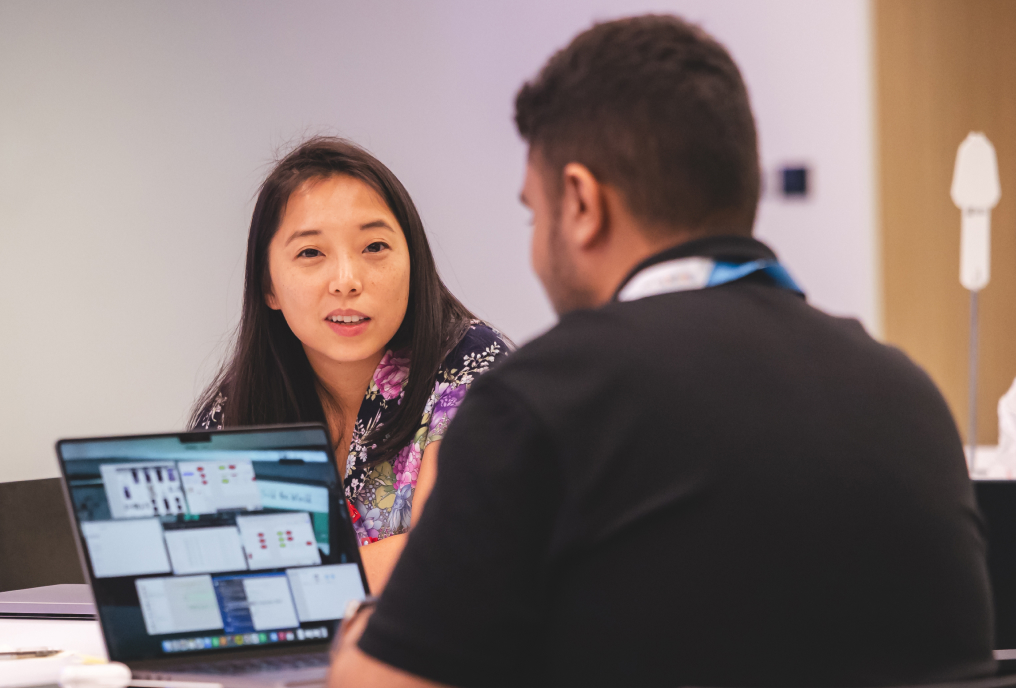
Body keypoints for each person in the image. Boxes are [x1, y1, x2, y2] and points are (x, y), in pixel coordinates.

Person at [328, 14, 996, 688]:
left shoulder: (543, 401)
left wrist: (372, 621)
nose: (534, 248)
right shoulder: (909, 395)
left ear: (583, 204)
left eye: (535, 214)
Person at [191, 137, 509, 592]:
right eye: (310, 253)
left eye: (374, 246)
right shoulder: (241, 401)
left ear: (413, 263)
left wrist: (276, 583)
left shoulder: (473, 369)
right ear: (269, 287)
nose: (346, 281)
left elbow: (449, 554)